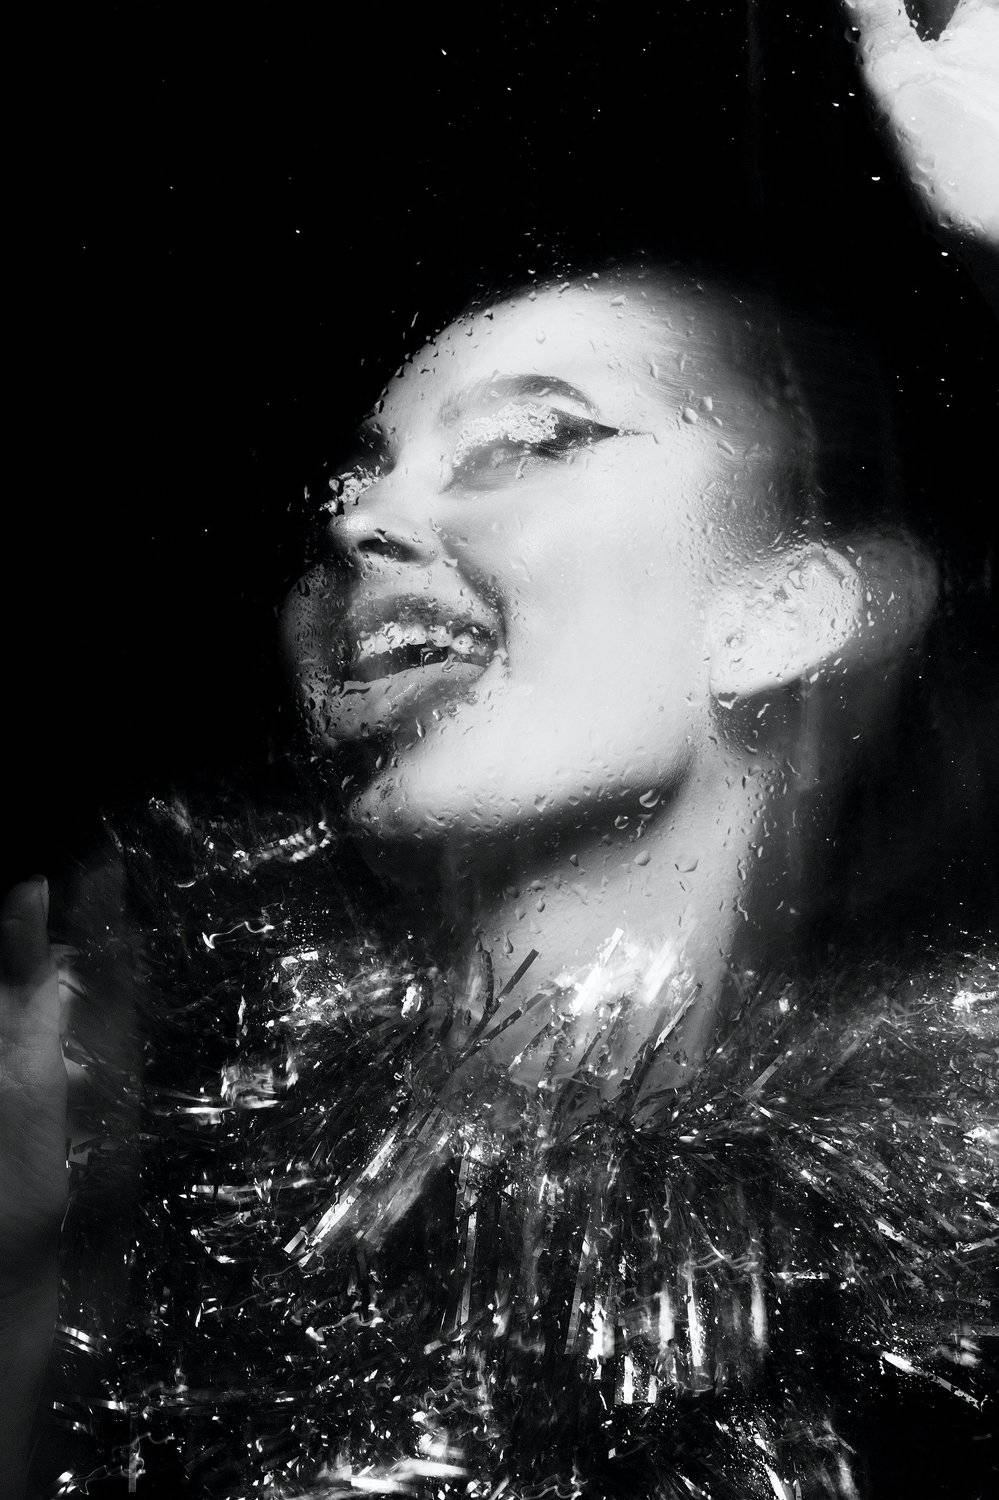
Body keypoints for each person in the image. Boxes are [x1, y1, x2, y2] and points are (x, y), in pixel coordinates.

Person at [2, 3, 997, 1496]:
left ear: (786, 608)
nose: (363, 520)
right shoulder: (136, 1132)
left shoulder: (947, 1201)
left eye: (532, 442)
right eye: (353, 481)